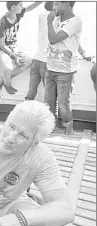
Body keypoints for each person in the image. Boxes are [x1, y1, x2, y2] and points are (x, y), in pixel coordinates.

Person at [45, 1, 82, 135]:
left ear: (66, 3)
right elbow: (73, 40)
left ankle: (69, 130)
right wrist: (83, 52)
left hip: (66, 72)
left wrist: (49, 23)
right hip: (50, 68)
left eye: (56, 4)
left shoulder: (75, 21)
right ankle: (51, 128)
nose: (53, 8)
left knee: (63, 104)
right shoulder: (57, 19)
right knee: (48, 103)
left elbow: (53, 39)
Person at [0, 2, 42, 95]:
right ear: (13, 7)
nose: (22, 7)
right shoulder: (2, 22)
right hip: (3, 50)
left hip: (14, 48)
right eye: (20, 5)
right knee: (8, 68)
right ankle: (7, 84)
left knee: (29, 61)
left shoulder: (18, 15)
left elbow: (30, 7)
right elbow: (1, 44)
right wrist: (14, 57)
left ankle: (5, 79)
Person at [26, 2, 54, 100]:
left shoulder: (41, 15)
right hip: (47, 61)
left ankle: (26, 112)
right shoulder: (56, 18)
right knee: (50, 96)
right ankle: (49, 115)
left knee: (31, 92)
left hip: (36, 59)